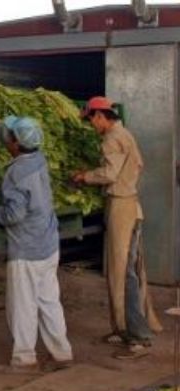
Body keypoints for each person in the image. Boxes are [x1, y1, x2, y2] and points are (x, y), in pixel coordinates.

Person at [0, 114, 73, 373]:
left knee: (22, 305)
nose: (7, 139)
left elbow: (14, 215)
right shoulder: (38, 158)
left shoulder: (16, 173)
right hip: (47, 243)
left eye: (9, 137)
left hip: (27, 249)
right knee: (49, 301)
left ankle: (24, 359)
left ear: (16, 144)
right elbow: (13, 138)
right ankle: (62, 353)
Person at [72, 96, 161, 359]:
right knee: (128, 270)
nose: (92, 126)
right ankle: (124, 329)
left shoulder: (111, 139)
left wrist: (85, 176)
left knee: (123, 273)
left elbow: (109, 174)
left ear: (100, 116)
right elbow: (138, 164)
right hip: (130, 204)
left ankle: (137, 337)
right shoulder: (125, 134)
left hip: (122, 207)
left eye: (92, 120)